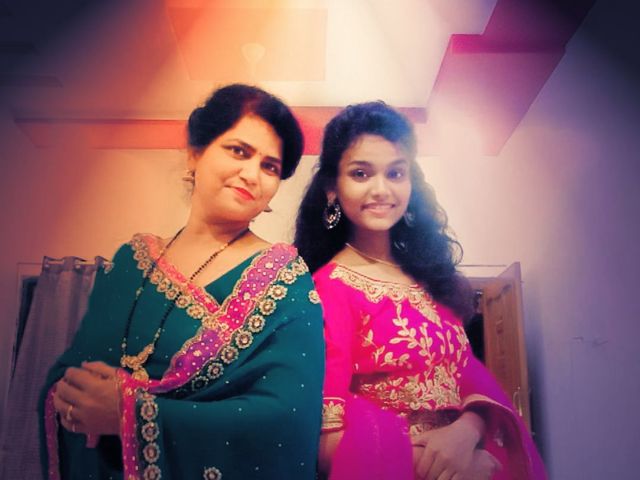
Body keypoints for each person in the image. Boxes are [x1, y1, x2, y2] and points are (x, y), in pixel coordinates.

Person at [39, 84, 325, 480]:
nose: (251, 174)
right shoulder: (132, 263)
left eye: (270, 167)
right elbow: (70, 372)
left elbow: (286, 419)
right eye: (239, 151)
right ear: (195, 153)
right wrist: (72, 399)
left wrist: (132, 414)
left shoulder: (286, 281)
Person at [295, 102, 546, 480]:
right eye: (361, 173)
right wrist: (448, 464)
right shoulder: (328, 290)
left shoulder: (431, 282)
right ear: (333, 188)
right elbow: (326, 443)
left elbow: (470, 379)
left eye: (396, 173)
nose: (381, 189)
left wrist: (466, 432)